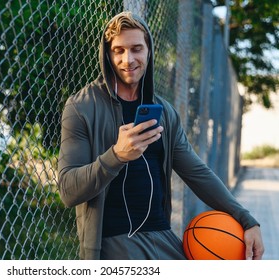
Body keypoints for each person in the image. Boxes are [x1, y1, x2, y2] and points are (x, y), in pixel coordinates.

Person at [57, 11, 264, 260]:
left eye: (136, 49)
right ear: (107, 54)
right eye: (118, 50)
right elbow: (68, 190)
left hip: (162, 236)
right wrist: (116, 156)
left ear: (149, 51)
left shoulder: (164, 112)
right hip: (114, 243)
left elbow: (197, 172)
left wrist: (247, 220)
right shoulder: (81, 107)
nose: (128, 59)